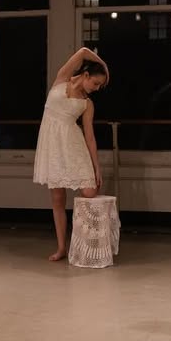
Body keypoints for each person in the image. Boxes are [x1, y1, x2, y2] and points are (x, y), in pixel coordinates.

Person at [33, 47, 110, 261]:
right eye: (95, 83)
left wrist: (96, 167)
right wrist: (104, 65)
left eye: (100, 86)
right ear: (85, 75)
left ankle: (82, 241)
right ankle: (61, 248)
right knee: (58, 198)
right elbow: (83, 51)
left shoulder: (87, 103)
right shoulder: (61, 79)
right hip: (53, 146)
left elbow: (90, 137)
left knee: (90, 191)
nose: (96, 88)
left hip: (74, 146)